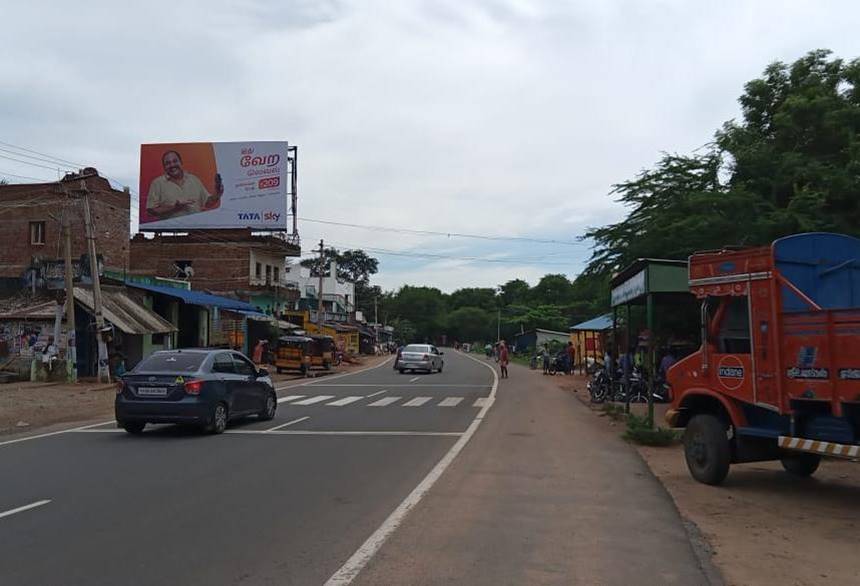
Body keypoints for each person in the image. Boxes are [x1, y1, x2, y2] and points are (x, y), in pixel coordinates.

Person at [146, 150, 223, 219]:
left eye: (175, 161)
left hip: (197, 229)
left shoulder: (194, 179)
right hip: (171, 228)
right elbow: (150, 211)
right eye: (168, 163)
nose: (172, 165)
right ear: (164, 167)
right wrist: (174, 208)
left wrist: (217, 193)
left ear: (181, 162)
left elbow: (207, 203)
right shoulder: (157, 183)